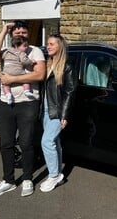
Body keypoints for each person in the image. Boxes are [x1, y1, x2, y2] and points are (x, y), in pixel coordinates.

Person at [0, 20, 46, 198]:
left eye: (24, 32)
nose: (20, 34)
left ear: (28, 35)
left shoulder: (35, 51)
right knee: (6, 143)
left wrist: (12, 80)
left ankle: (27, 178)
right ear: (12, 35)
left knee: (26, 142)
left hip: (28, 103)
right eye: (17, 32)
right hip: (6, 103)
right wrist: (4, 30)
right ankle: (8, 180)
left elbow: (39, 74)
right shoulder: (6, 51)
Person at [40, 34, 75, 192]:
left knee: (46, 142)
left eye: (51, 44)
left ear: (60, 46)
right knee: (55, 143)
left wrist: (64, 115)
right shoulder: (48, 64)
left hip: (57, 111)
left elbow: (70, 91)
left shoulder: (66, 66)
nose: (48, 46)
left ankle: (53, 175)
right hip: (45, 110)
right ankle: (59, 173)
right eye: (47, 43)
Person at [1, 35, 35, 105]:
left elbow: (2, 57)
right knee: (26, 80)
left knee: (5, 84)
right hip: (18, 71)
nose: (26, 48)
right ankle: (26, 90)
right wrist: (31, 62)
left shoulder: (6, 51)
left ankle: (8, 94)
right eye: (24, 46)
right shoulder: (21, 53)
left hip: (6, 72)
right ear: (16, 46)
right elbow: (24, 61)